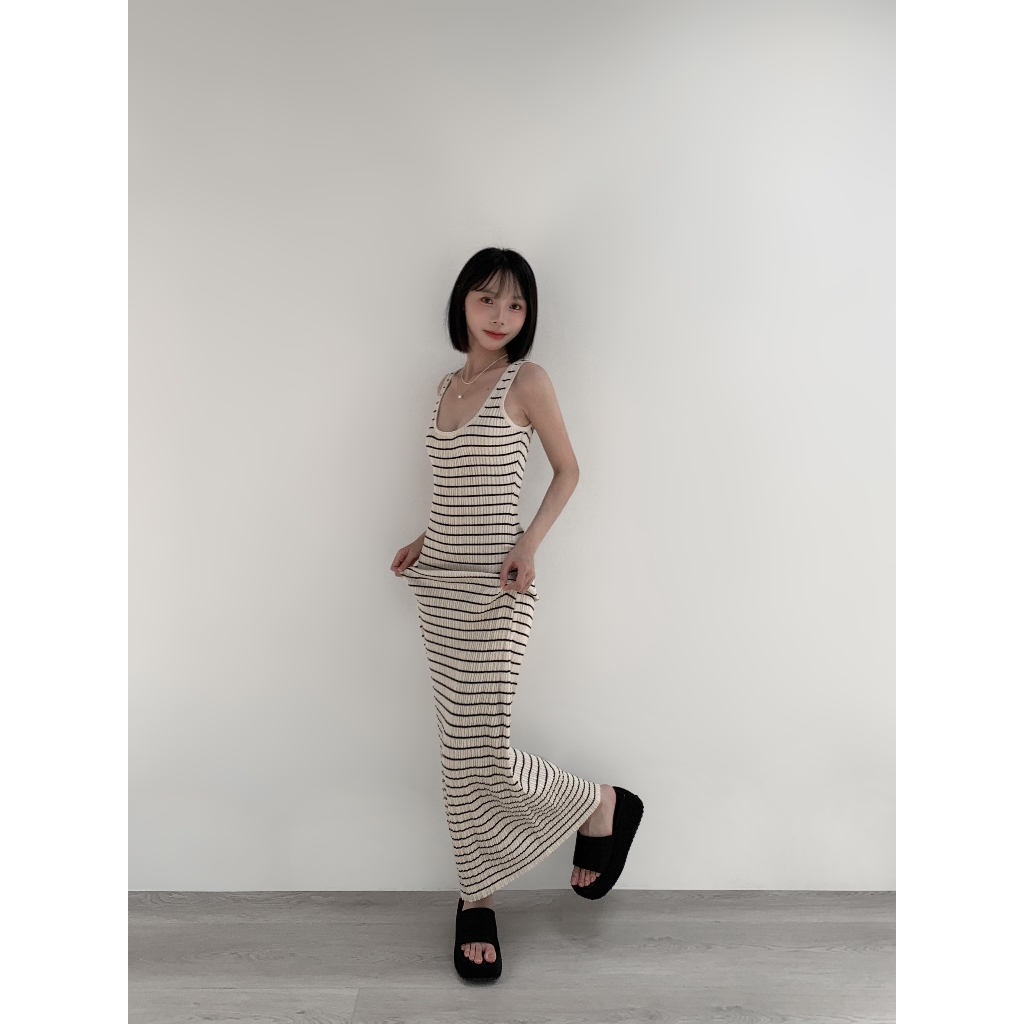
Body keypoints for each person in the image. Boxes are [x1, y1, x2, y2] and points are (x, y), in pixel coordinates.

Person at [390, 247, 643, 981]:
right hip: (440, 586)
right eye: (486, 299)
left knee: (489, 752)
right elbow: (454, 486)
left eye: (516, 304)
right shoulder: (443, 387)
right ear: (462, 305)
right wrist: (425, 539)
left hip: (499, 585)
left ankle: (601, 803)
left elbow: (568, 470)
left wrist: (529, 543)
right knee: (458, 754)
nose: (500, 315)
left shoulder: (526, 381)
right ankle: (477, 898)